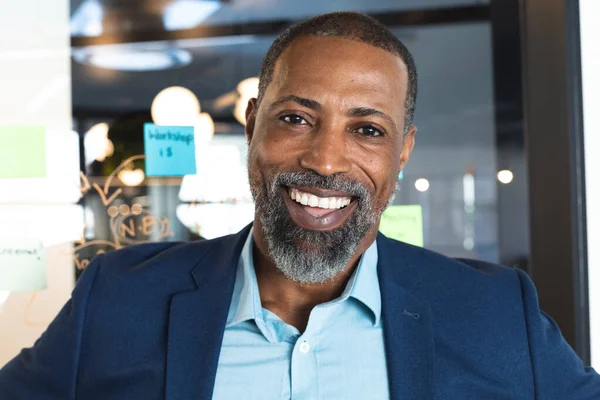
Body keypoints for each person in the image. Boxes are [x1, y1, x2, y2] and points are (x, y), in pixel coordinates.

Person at [1, 11, 599, 400]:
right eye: (295, 118)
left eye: (366, 129)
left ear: (403, 151)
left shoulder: (496, 314)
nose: (325, 160)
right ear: (252, 121)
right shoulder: (117, 299)